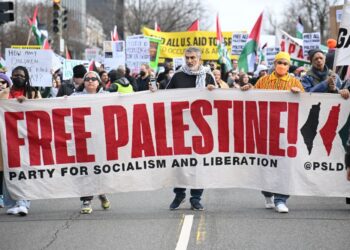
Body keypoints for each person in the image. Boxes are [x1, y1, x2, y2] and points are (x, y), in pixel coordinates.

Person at [242, 52, 305, 213]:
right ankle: (267, 194)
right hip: (266, 129)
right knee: (267, 165)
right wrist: (248, 89)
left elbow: (305, 103)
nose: (282, 66)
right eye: (279, 62)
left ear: (289, 66)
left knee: (285, 165)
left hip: (285, 130)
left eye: (285, 63)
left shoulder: (294, 81)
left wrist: (299, 94)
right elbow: (253, 99)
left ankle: (281, 199)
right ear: (274, 64)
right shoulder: (263, 80)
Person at [166, 46, 216, 211]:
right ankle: (179, 194)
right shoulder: (178, 76)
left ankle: (196, 198)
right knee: (180, 163)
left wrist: (212, 92)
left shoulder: (208, 76)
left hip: (201, 128)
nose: (189, 61)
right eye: (187, 58)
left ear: (199, 59)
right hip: (181, 126)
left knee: (199, 164)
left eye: (193, 58)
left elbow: (218, 101)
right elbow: (165, 98)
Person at [3, 66, 41, 216]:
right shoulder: (5, 93)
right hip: (8, 138)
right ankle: (14, 203)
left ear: (26, 77)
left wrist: (27, 104)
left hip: (27, 138)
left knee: (25, 170)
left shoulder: (33, 93)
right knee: (11, 170)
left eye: (21, 75)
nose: (18, 77)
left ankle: (23, 202)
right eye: (15, 75)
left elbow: (42, 111)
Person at [72, 71, 111, 214]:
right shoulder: (74, 97)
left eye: (93, 78)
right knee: (85, 170)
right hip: (83, 140)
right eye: (87, 79)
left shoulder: (107, 96)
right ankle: (86, 200)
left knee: (99, 170)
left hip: (101, 140)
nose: (90, 81)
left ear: (99, 81)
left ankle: (101, 193)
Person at [0, 73, 12, 208]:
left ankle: (4, 195)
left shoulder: (12, 98)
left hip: (7, 137)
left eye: (3, 82)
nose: (0, 84)